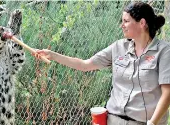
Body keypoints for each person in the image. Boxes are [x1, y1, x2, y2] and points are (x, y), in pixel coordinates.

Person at [35, 2, 170, 125]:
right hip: (112, 120)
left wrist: (152, 123)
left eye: (126, 21)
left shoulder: (164, 51)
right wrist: (53, 55)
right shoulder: (118, 47)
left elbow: (167, 93)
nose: (121, 25)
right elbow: (85, 65)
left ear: (142, 23)